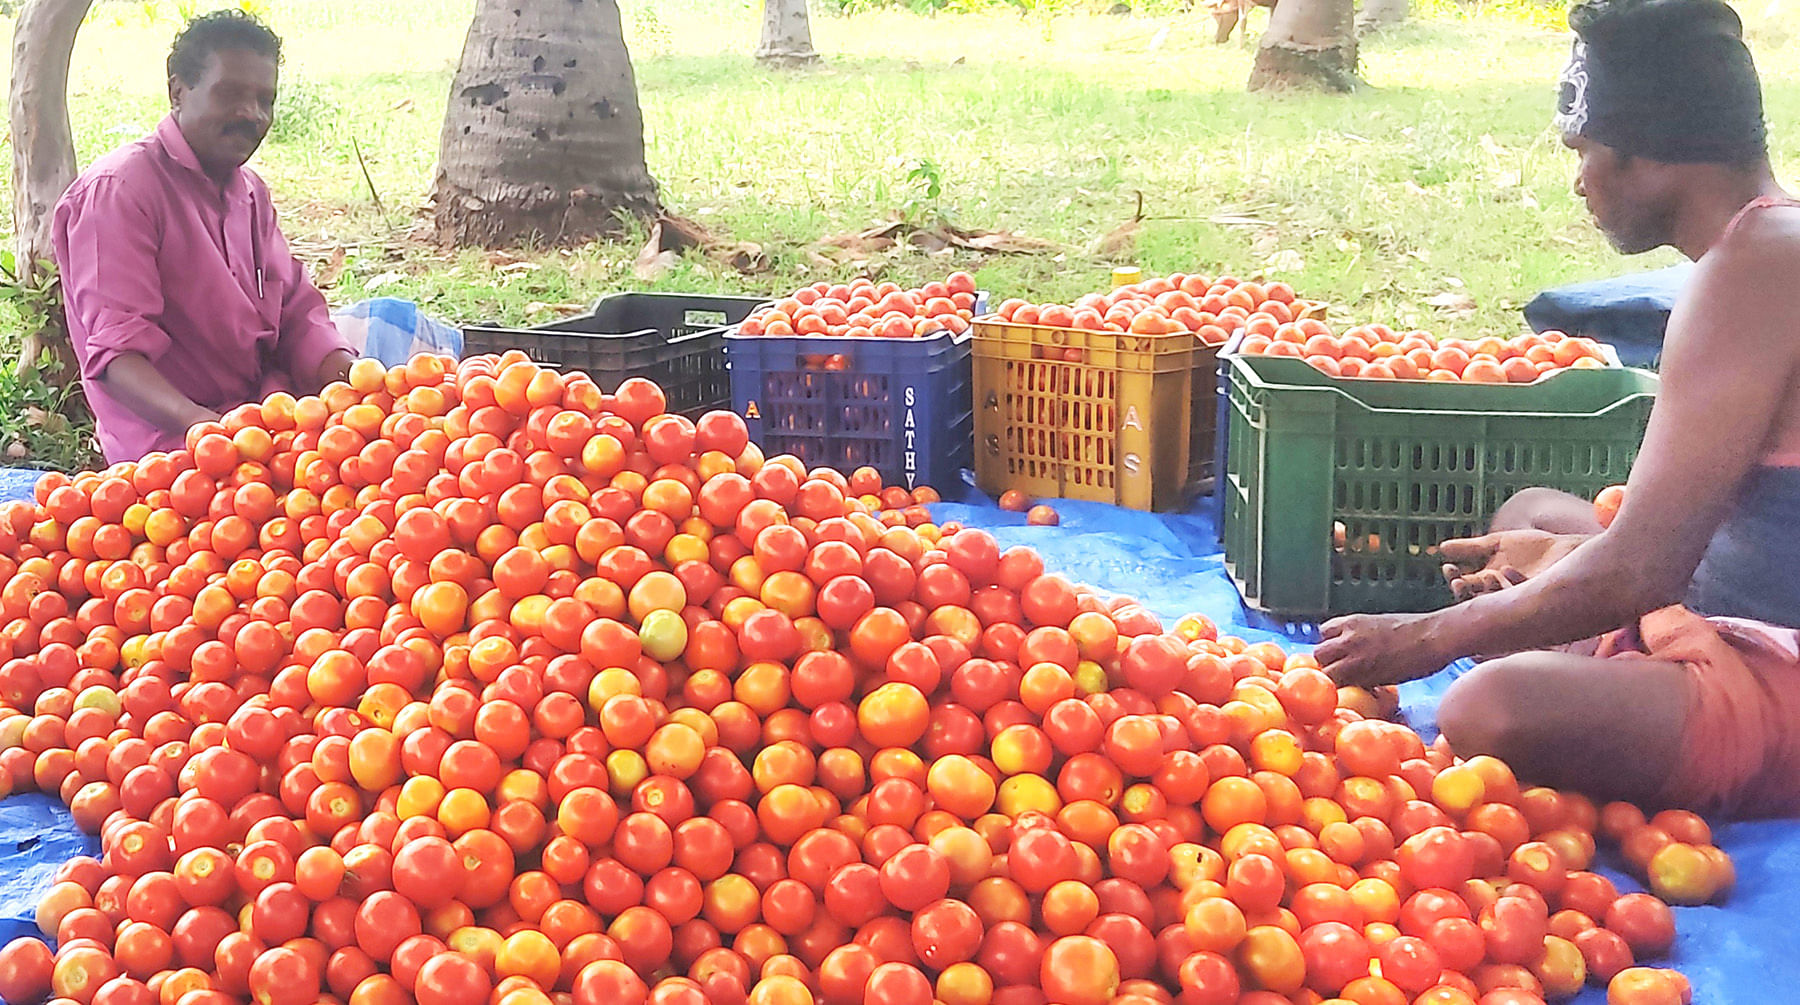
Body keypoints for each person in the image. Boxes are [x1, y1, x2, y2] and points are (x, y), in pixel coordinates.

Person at [1317, 0, 1800, 818]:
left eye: (1584, 150)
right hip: (1726, 599)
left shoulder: (1749, 273)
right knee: (1533, 514)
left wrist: (1424, 640)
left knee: (1487, 707)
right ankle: (1604, 644)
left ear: (1651, 156)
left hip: (1776, 659)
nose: (1579, 179)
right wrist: (1555, 566)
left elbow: (1645, 568)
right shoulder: (1761, 243)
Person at [52, 10, 352, 465]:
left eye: (264, 99)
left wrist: (365, 391)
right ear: (178, 91)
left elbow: (297, 314)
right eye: (230, 94)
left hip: (267, 422)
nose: (251, 114)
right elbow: (118, 359)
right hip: (173, 451)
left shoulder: (250, 192)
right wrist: (208, 431)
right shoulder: (120, 192)